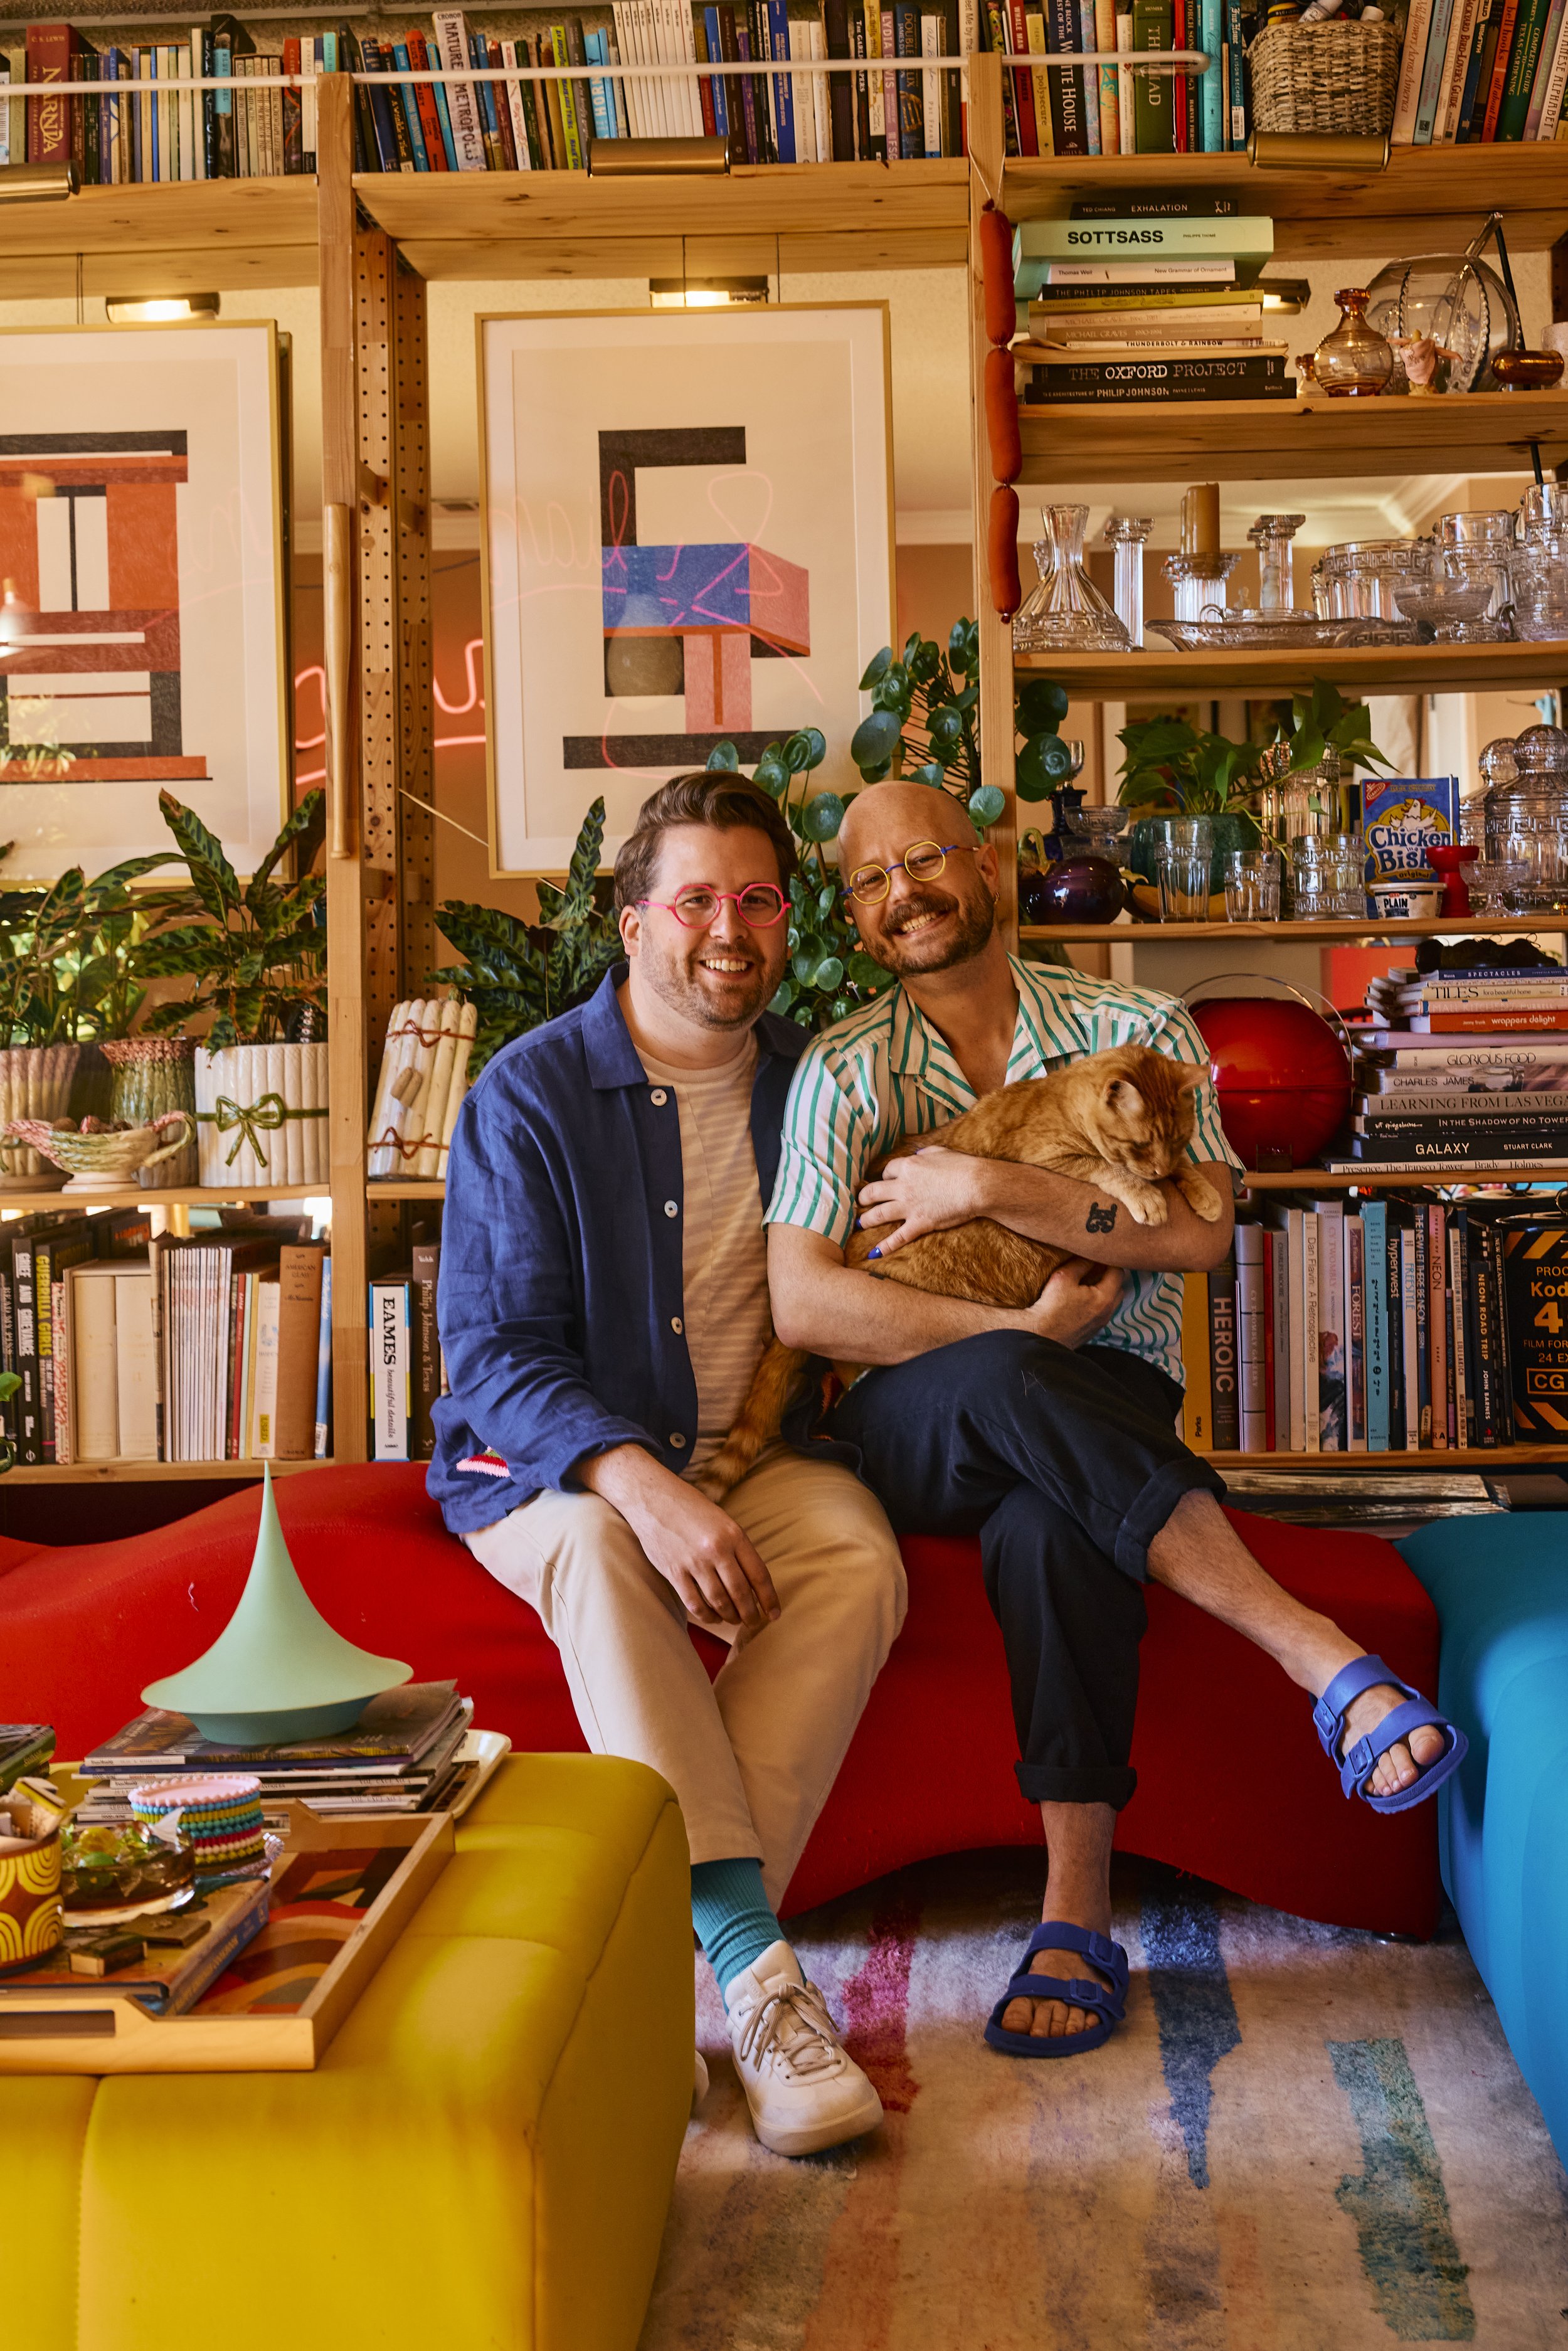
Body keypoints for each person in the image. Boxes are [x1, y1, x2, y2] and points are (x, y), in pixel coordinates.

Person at [765, 779, 1466, 2061]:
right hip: (911, 1418)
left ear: (988, 858)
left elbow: (1198, 1229)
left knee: (1048, 1526)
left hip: (1103, 1399)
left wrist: (989, 1182)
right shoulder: (842, 1067)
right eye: (865, 880)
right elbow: (805, 1301)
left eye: (919, 857)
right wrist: (1018, 1332)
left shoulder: (1131, 1024)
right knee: (1000, 1376)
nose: (897, 892)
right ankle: (1315, 1656)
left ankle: (1072, 1916)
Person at [430, 772, 905, 2158]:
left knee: (858, 1557)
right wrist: (644, 1483)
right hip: (550, 1467)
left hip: (758, 1454)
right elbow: (495, 1354)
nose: (727, 929)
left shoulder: (818, 1084)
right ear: (629, 921)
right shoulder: (527, 1092)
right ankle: (761, 1980)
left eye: (754, 898)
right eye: (693, 898)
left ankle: (667, 1957)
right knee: (592, 1547)